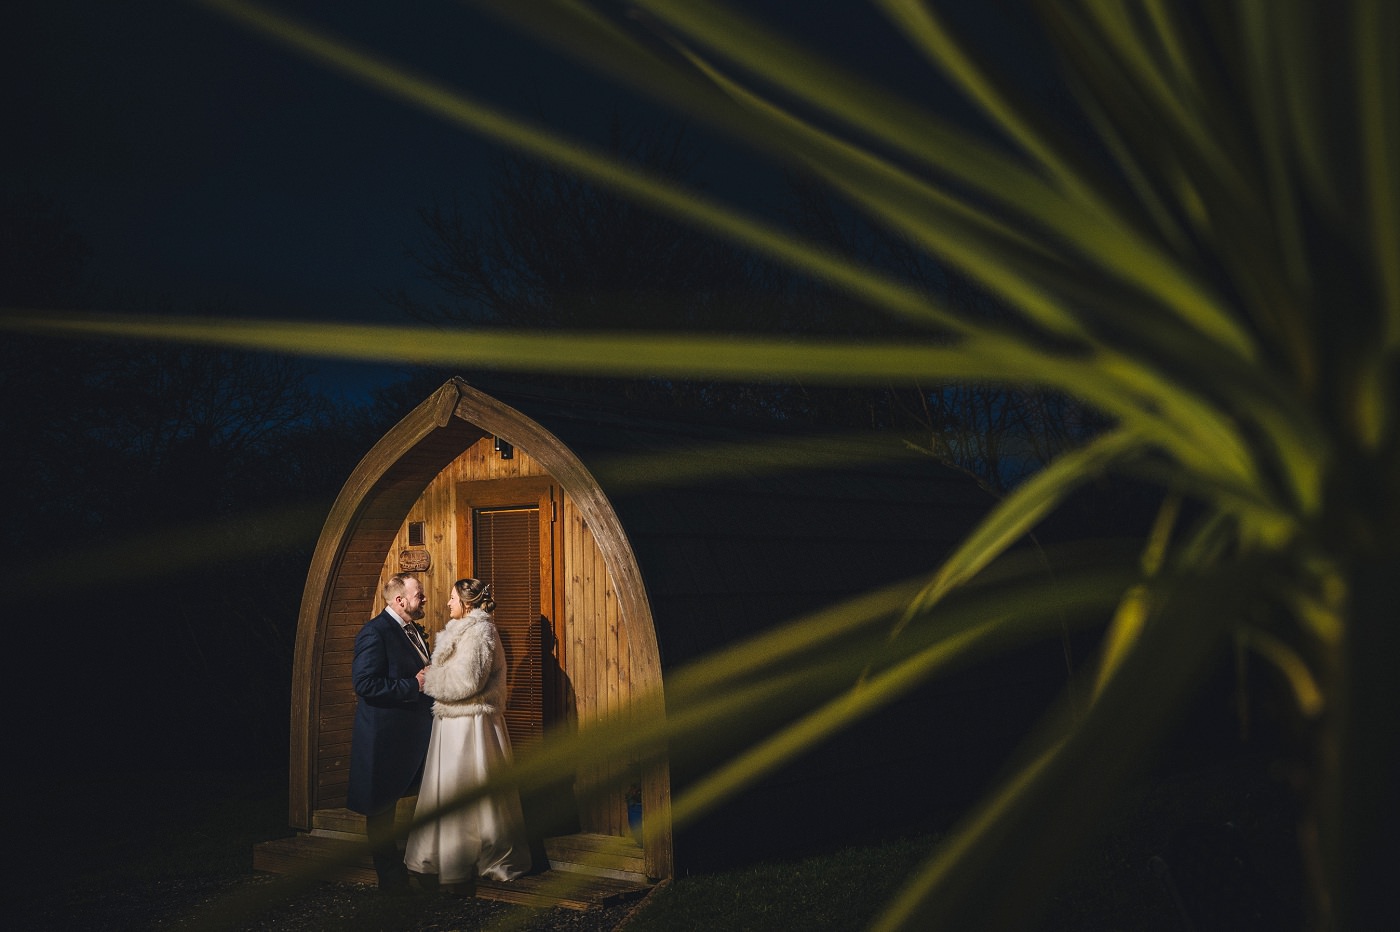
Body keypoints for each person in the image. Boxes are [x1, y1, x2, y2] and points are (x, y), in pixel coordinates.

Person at [405, 578, 532, 891]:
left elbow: (468, 681)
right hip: (453, 721)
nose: (447, 604)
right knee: (447, 788)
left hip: (471, 724)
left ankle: (466, 862)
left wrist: (430, 680)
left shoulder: (480, 631)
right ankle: (442, 859)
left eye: (451, 598)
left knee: (467, 787)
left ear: (467, 602)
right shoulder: (460, 629)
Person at [346, 573, 435, 894]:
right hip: (385, 739)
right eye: (419, 595)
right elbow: (365, 684)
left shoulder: (412, 630)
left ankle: (424, 864)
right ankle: (390, 880)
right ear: (400, 601)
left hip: (415, 736)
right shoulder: (375, 632)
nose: (424, 599)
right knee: (381, 810)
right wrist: (414, 685)